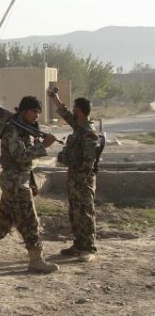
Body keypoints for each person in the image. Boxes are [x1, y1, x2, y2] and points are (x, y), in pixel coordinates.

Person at [0, 95, 59, 273]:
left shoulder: (24, 129)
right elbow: (20, 156)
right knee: (30, 222)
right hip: (16, 184)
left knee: (4, 222)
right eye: (33, 111)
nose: (37, 115)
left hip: (17, 182)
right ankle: (36, 260)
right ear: (23, 111)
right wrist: (43, 146)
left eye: (39, 112)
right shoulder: (13, 130)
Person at [48, 89, 99, 262]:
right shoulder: (80, 127)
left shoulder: (88, 131)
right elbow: (66, 114)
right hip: (75, 179)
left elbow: (89, 159)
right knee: (75, 212)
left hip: (82, 180)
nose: (72, 111)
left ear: (80, 111)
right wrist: (55, 99)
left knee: (85, 213)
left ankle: (88, 248)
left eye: (74, 109)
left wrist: (79, 174)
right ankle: (78, 244)